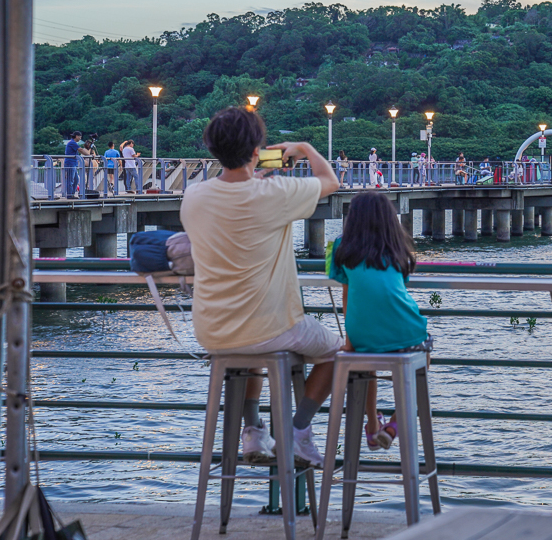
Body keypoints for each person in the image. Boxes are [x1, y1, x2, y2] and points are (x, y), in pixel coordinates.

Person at [180, 107, 341, 465]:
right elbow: (330, 182)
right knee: (338, 352)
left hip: (212, 331)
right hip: (272, 327)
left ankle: (252, 432)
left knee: (249, 348)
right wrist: (305, 148)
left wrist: (258, 177)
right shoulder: (277, 193)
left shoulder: (193, 195)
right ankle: (297, 432)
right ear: (257, 152)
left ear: (212, 149)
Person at [327, 191, 430, 451]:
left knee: (366, 361)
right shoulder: (398, 246)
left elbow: (347, 294)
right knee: (422, 357)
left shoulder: (340, 246)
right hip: (406, 331)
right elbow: (396, 289)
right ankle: (395, 423)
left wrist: (351, 343)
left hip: (361, 334)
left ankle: (372, 426)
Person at [63, 131, 82, 198]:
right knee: (70, 180)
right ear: (76, 136)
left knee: (76, 179)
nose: (80, 138)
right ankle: (69, 195)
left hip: (73, 163)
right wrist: (89, 154)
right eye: (80, 136)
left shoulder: (73, 143)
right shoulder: (72, 143)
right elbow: (81, 150)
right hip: (70, 163)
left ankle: (72, 194)